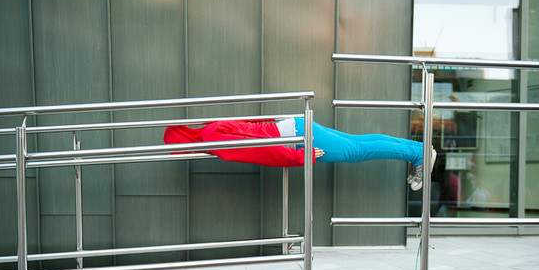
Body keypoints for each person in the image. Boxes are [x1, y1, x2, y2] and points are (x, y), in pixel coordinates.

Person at [164, 117, 436, 190]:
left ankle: (419, 155)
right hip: (293, 127)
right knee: (357, 144)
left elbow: (261, 151)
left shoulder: (215, 145)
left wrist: (300, 156)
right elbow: (254, 129)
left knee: (355, 150)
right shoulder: (210, 130)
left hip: (295, 140)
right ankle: (416, 151)